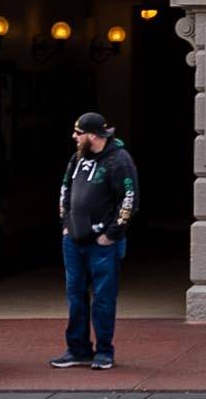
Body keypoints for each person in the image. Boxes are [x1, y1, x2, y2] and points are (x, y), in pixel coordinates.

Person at [51, 112, 138, 372]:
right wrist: (66, 224)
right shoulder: (76, 159)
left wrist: (111, 233)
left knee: (103, 297)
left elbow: (129, 199)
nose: (74, 137)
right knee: (75, 295)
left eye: (78, 133)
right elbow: (65, 190)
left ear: (92, 135)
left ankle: (104, 351)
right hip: (73, 240)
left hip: (103, 243)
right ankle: (77, 349)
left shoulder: (119, 161)